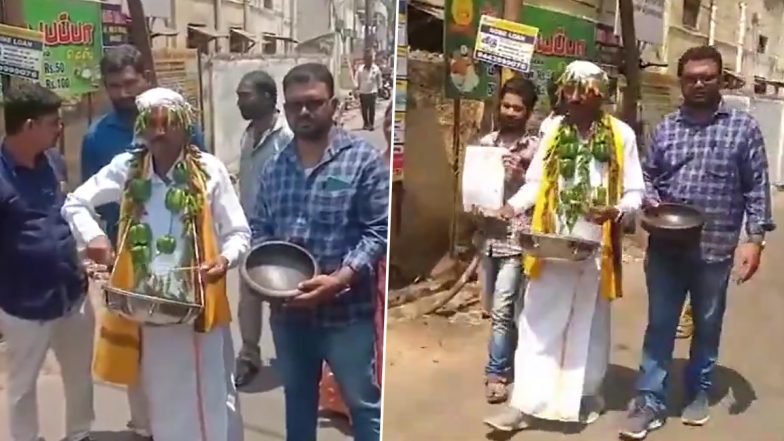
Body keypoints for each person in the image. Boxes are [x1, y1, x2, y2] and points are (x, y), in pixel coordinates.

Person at [63, 87, 251, 441]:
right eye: (151, 122)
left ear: (184, 126)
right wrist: (95, 239)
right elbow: (75, 203)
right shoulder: (128, 169)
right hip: (148, 307)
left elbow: (238, 232)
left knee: (211, 398)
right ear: (141, 127)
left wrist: (224, 260)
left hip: (200, 309)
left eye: (168, 122)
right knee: (162, 402)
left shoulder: (209, 171)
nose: (160, 131)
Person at [619, 46, 775, 440]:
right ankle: (650, 401)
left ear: (720, 79)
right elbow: (647, 177)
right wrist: (652, 206)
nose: (699, 83)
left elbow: (756, 187)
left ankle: (698, 392)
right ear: (681, 81)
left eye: (707, 76)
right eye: (691, 77)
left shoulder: (743, 129)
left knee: (707, 325)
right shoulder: (666, 128)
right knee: (660, 325)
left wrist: (754, 240)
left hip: (717, 248)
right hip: (668, 247)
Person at [483, 61, 645, 431]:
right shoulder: (552, 129)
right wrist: (511, 207)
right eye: (567, 90)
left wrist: (616, 209)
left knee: (588, 323)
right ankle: (523, 404)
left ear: (598, 95)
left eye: (581, 91)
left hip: (595, 248)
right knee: (537, 320)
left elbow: (636, 191)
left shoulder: (621, 135)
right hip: (551, 243)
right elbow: (536, 181)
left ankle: (583, 396)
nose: (572, 98)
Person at [250, 62, 388, 441]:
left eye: (313, 102)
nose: (304, 112)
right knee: (298, 402)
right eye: (295, 105)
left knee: (363, 404)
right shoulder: (274, 168)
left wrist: (340, 279)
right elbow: (259, 230)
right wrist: (265, 279)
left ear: (335, 104)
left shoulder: (363, 160)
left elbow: (378, 232)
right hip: (290, 315)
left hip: (347, 313)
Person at [82, 45, 208, 439]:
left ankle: (184, 422)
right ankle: (145, 428)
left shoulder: (182, 128)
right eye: (114, 85)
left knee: (182, 347)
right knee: (134, 350)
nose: (122, 93)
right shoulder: (97, 138)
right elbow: (89, 201)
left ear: (147, 79)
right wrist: (98, 239)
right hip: (128, 260)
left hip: (183, 259)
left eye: (130, 83)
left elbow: (202, 190)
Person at [0, 82, 94, 441]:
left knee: (79, 375)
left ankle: (80, 433)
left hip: (71, 294)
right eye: (52, 123)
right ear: (28, 127)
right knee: (23, 386)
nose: (59, 130)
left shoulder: (53, 162)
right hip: (23, 305)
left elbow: (64, 216)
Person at [318, 101, 394, 419]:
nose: (392, 127)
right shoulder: (372, 162)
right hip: (364, 262)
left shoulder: (398, 166)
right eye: (389, 121)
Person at [473, 76, 539, 404]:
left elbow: (540, 189)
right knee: (495, 307)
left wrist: (520, 176)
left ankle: (496, 373)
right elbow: (473, 186)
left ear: (528, 112)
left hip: (516, 239)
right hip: (487, 238)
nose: (511, 112)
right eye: (506, 105)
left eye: (518, 107)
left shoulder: (535, 148)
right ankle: (512, 360)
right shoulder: (486, 143)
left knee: (503, 307)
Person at [234, 70, 294, 388]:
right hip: (248, 229)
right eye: (239, 96)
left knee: (281, 298)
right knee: (248, 297)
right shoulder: (247, 134)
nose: (240, 102)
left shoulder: (287, 136)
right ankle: (249, 355)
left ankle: (292, 358)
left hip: (280, 232)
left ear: (268, 98)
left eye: (246, 95)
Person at [354, 52, 382, 131]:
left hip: (373, 92)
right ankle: (365, 123)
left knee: (372, 109)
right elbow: (356, 79)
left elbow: (379, 79)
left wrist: (380, 88)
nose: (369, 62)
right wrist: (356, 89)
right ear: (365, 60)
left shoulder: (376, 69)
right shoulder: (360, 69)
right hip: (363, 92)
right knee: (364, 109)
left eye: (370, 60)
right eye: (367, 60)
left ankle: (371, 124)